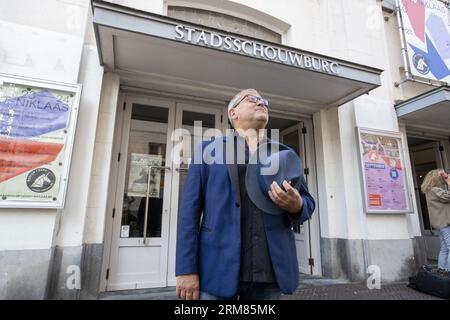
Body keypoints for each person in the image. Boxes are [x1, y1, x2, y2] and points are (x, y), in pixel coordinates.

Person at [175, 88, 315, 300]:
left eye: (264, 100)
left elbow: (308, 203)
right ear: (233, 113)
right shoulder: (207, 151)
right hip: (217, 271)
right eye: (252, 99)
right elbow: (189, 214)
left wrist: (297, 205)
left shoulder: (284, 154)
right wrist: (186, 269)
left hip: (269, 274)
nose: (261, 102)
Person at [421, 169, 450, 271]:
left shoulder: (431, 190)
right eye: (440, 175)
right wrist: (449, 182)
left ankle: (442, 270)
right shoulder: (435, 190)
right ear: (435, 178)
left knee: (445, 248)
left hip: (440, 223)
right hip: (443, 222)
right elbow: (448, 196)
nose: (443, 177)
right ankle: (447, 271)